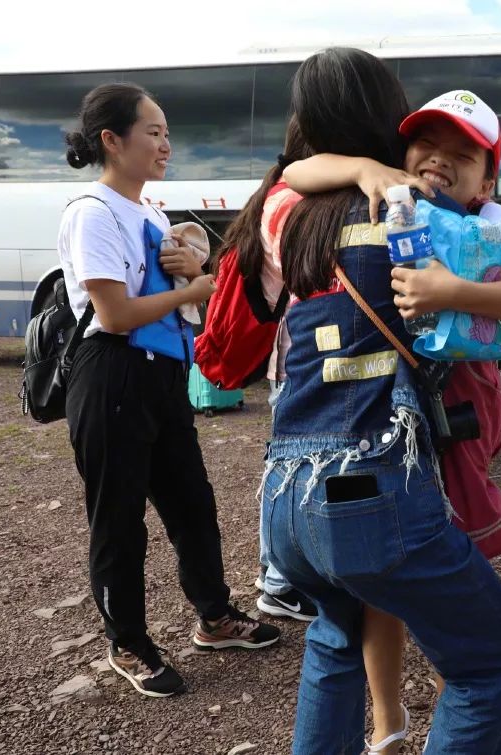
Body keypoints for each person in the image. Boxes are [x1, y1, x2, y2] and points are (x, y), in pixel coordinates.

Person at [262, 49, 501, 754]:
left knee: (334, 636)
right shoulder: (421, 216)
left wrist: (352, 168)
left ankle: (381, 728)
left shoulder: (285, 217)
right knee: (489, 656)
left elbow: (290, 173)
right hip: (366, 486)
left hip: (283, 497)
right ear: (390, 125)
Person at [58, 84, 280, 699]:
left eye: (165, 132)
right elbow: (116, 314)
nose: (165, 144)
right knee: (119, 518)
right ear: (112, 139)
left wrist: (193, 274)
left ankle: (215, 617)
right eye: (152, 132)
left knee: (192, 504)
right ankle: (127, 640)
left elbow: (182, 307)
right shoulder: (92, 212)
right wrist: (194, 289)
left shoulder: (152, 214)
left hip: (162, 376)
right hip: (112, 372)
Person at [212, 116, 317, 622]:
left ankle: (281, 578)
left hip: (291, 360)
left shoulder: (276, 193)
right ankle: (277, 582)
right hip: (299, 362)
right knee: (287, 472)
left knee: (286, 468)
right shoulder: (291, 203)